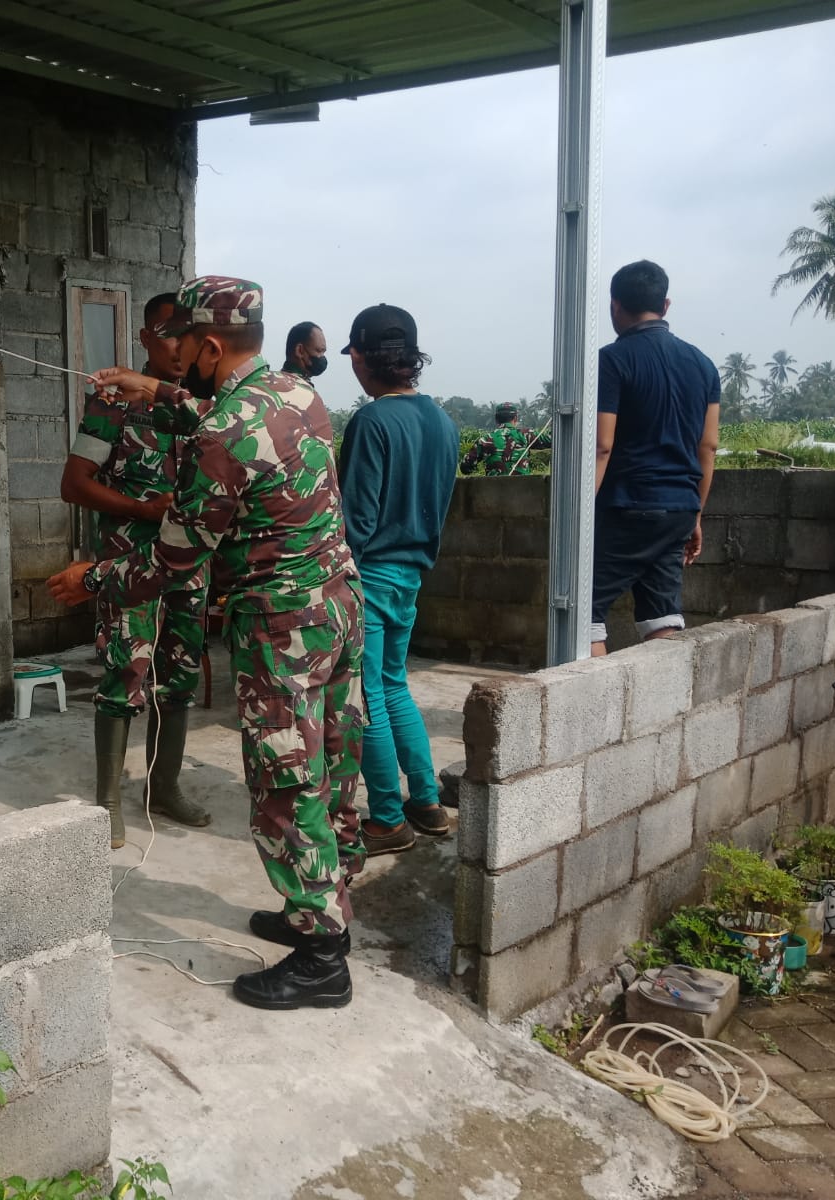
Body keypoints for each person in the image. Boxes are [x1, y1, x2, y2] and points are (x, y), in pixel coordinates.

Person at [47, 276, 365, 1012]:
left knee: (286, 780)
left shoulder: (222, 434)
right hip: (337, 607)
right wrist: (153, 390)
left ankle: (321, 955)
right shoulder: (296, 394)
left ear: (211, 346)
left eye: (184, 344)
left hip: (281, 624)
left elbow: (173, 558)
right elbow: (223, 416)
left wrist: (93, 578)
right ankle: (324, 904)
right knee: (332, 762)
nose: (177, 356)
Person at [60, 293, 211, 849]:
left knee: (179, 677)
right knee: (125, 674)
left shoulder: (206, 404)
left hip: (190, 565)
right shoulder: (113, 401)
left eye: (187, 335)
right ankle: (108, 803)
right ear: (146, 338)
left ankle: (164, 786)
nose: (178, 346)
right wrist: (142, 510)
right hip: (129, 562)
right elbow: (74, 483)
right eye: (168, 334)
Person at [336, 306, 458, 855]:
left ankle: (386, 819)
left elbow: (357, 521)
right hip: (411, 575)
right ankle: (426, 802)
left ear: (363, 359)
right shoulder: (443, 421)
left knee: (369, 700)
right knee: (393, 684)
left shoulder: (372, 422)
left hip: (370, 574)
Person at [592, 260, 720, 656]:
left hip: (626, 505)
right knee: (662, 616)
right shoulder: (703, 365)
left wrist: (580, 512)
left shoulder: (611, 361)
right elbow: (708, 447)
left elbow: (602, 445)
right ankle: (664, 698)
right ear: (665, 305)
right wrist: (695, 514)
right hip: (678, 509)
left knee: (582, 614)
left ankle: (596, 698)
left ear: (615, 306)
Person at [460, 402, 549, 476]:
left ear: (496, 419)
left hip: (493, 489)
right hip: (523, 488)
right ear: (516, 418)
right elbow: (551, 440)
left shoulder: (486, 439)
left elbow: (465, 468)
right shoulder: (526, 435)